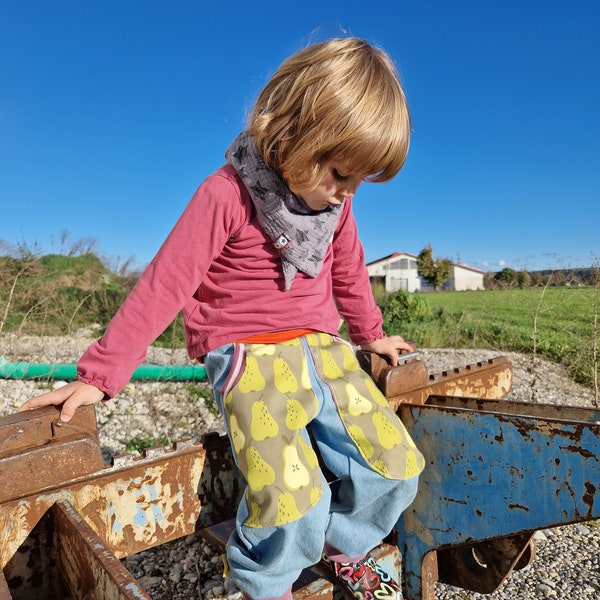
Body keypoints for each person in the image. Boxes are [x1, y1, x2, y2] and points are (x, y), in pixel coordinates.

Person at [21, 37, 425, 600]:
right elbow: (165, 282)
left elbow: (350, 272)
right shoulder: (227, 194)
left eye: (358, 183)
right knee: (291, 489)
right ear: (296, 134)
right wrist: (98, 377)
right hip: (249, 351)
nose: (345, 195)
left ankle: (342, 548)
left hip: (321, 345)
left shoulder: (337, 209)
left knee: (397, 464)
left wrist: (373, 335)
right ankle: (266, 582)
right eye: (339, 173)